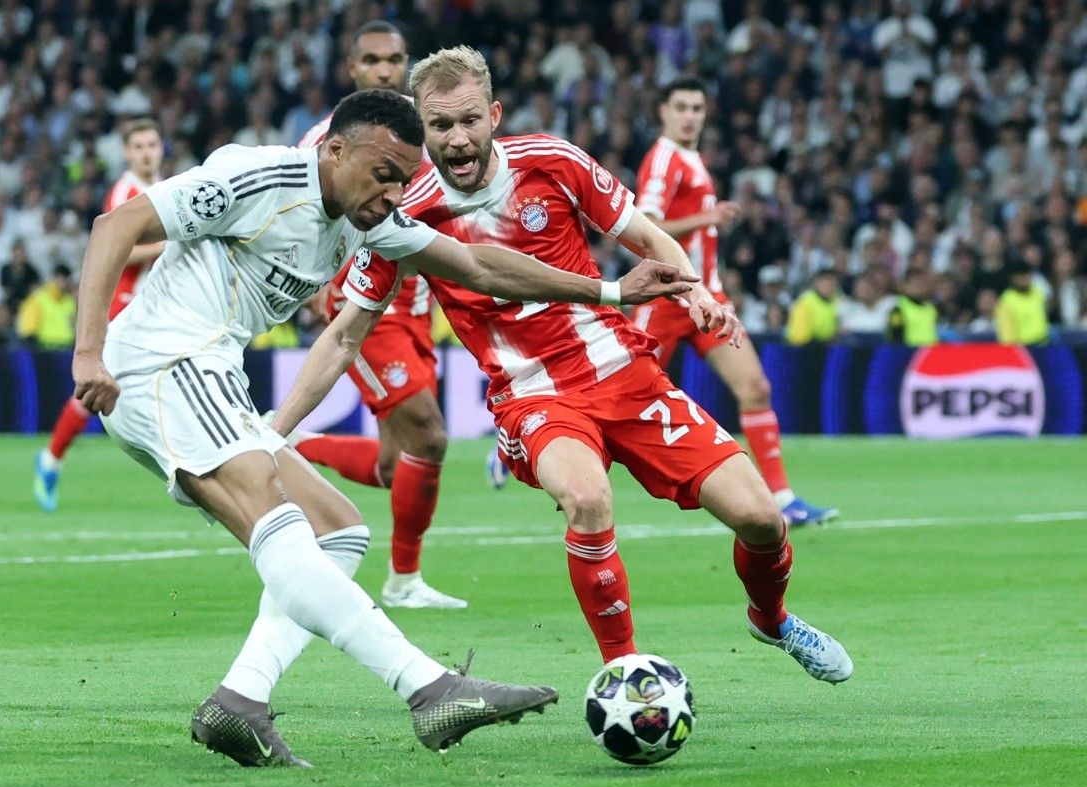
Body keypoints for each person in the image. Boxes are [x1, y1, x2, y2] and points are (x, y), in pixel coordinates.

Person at [72, 89, 690, 768]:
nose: (395, 192)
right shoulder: (263, 176)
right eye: (385, 173)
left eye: (405, 178)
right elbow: (116, 224)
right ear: (336, 150)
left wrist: (608, 291)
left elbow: (480, 266)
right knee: (273, 518)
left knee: (338, 528)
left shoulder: (368, 217)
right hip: (164, 363)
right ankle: (428, 688)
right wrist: (88, 353)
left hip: (205, 373)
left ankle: (240, 701)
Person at [259, 52, 852, 690]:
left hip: (626, 373)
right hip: (533, 395)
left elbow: (652, 239)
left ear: (493, 116)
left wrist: (697, 294)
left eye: (467, 121)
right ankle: (624, 673)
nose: (456, 139)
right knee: (589, 498)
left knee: (762, 519)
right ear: (423, 131)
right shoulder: (407, 218)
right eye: (439, 127)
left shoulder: (554, 160)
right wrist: (275, 431)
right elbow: (345, 334)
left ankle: (772, 617)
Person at [293, 21, 466, 609]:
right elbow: (302, 215)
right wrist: (314, 284)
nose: (386, 70)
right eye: (372, 60)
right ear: (353, 70)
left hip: (416, 306)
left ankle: (298, 442)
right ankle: (403, 580)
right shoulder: (326, 138)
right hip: (362, 304)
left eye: (395, 59)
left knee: (400, 465)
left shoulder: (427, 139)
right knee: (431, 432)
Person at [630, 76, 838, 526]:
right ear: (663, 111)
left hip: (706, 297)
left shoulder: (691, 158)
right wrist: (708, 216)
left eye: (697, 108)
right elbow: (644, 226)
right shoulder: (664, 159)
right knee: (619, 392)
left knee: (756, 388)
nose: (689, 116)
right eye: (681, 107)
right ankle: (542, 450)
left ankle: (782, 499)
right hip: (667, 297)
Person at [34, 119, 166, 512]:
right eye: (139, 146)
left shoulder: (163, 186)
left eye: (152, 144)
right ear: (127, 153)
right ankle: (52, 457)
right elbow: (118, 250)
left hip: (155, 303)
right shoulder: (124, 192)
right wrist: (166, 245)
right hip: (123, 302)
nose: (146, 152)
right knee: (97, 389)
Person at [16, 264, 76, 348]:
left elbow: (73, 324)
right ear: (54, 278)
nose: (63, 282)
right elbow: (27, 325)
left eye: (65, 279)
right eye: (60, 278)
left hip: (67, 346)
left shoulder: (70, 301)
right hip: (45, 347)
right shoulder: (39, 298)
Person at [785, 268, 841, 345]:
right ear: (816, 283)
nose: (830, 287)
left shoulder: (837, 301)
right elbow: (799, 338)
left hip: (827, 347)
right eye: (826, 283)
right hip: (805, 349)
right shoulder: (805, 303)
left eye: (833, 283)